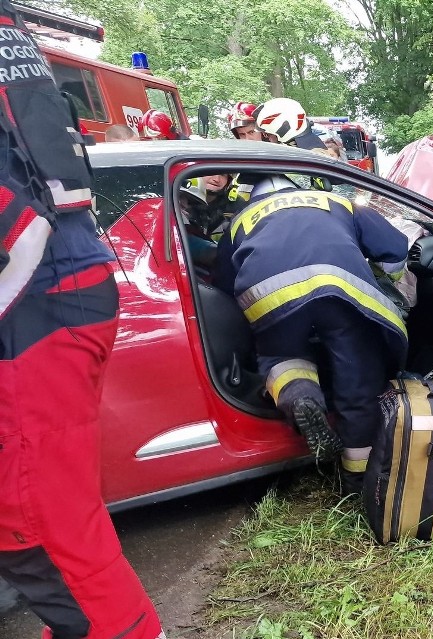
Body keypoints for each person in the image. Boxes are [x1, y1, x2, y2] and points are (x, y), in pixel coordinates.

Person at [0, 5, 166, 636]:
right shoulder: (14, 38)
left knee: (35, 527)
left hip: (32, 288)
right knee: (53, 513)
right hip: (61, 274)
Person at [214, 175, 409, 494]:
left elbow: (222, 283)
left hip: (269, 294)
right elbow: (395, 248)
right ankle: (358, 480)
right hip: (340, 285)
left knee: (280, 358)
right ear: (298, 186)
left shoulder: (239, 221)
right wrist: (393, 281)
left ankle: (302, 398)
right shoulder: (338, 202)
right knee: (356, 374)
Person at [253, 98, 326, 151]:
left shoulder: (311, 157)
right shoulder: (311, 150)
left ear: (283, 130)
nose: (268, 139)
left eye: (267, 134)